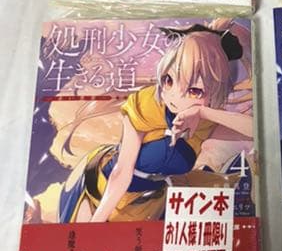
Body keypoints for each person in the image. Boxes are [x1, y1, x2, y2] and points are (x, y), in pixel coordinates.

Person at [49, 20, 252, 223]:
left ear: (214, 92)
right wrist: (97, 223)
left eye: (194, 91)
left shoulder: (205, 124)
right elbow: (122, 170)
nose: (174, 96)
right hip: (104, 191)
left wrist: (204, 112)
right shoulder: (146, 105)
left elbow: (256, 132)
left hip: (149, 203)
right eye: (168, 80)